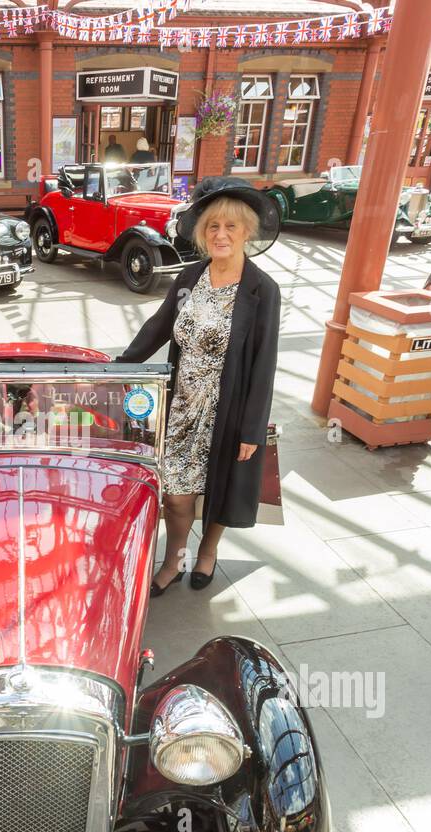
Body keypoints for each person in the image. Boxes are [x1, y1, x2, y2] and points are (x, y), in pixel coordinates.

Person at [116, 177, 281, 596]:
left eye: (231, 227)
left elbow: (265, 363)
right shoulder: (192, 275)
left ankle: (207, 552)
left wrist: (251, 429)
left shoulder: (263, 290)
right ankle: (175, 557)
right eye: (213, 227)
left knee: (222, 487)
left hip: (228, 408)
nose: (221, 235)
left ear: (247, 232)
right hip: (183, 407)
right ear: (203, 233)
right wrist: (119, 368)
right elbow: (159, 327)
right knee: (176, 495)